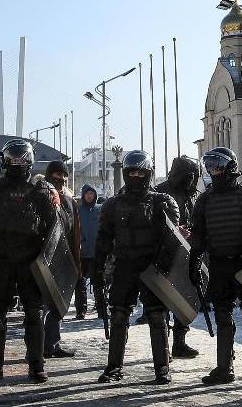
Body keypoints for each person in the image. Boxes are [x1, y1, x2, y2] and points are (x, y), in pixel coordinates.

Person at [0, 139, 60, 384]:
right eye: (13, 159)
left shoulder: (41, 190)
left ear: (29, 161)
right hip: (1, 258)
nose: (17, 163)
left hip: (30, 260)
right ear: (5, 160)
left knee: (34, 314)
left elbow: (54, 230)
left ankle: (36, 365)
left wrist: (51, 264)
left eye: (21, 159)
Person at [189, 147, 242, 388]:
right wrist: (194, 261)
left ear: (229, 167)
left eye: (218, 166)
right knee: (223, 315)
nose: (214, 171)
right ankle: (224, 368)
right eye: (210, 166)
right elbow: (198, 235)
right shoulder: (204, 200)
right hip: (219, 265)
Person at [94, 150, 179, 384]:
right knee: (119, 315)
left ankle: (162, 367)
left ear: (148, 173)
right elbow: (103, 238)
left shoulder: (162, 201)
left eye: (140, 171)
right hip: (125, 265)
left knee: (157, 316)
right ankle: (114, 367)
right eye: (131, 171)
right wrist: (97, 268)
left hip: (152, 266)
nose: (135, 175)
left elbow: (173, 239)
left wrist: (163, 262)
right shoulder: (113, 204)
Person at [155, 155, 202, 359]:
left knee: (184, 298)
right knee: (164, 299)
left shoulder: (191, 194)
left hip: (186, 253)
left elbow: (195, 218)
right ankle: (164, 346)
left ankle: (179, 342)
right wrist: (174, 232)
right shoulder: (160, 192)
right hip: (164, 253)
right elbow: (153, 223)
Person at [41, 160, 78, 359]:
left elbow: (73, 230)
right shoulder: (41, 196)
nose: (61, 179)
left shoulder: (69, 200)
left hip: (64, 258)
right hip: (44, 258)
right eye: (57, 174)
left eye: (64, 175)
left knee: (58, 304)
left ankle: (52, 344)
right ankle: (38, 344)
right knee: (42, 306)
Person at [75, 183, 100, 319]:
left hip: (96, 252)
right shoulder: (77, 210)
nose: (90, 196)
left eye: (92, 193)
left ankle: (101, 308)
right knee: (80, 283)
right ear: (84, 195)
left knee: (98, 282)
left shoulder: (100, 209)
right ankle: (81, 310)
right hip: (82, 252)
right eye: (87, 193)